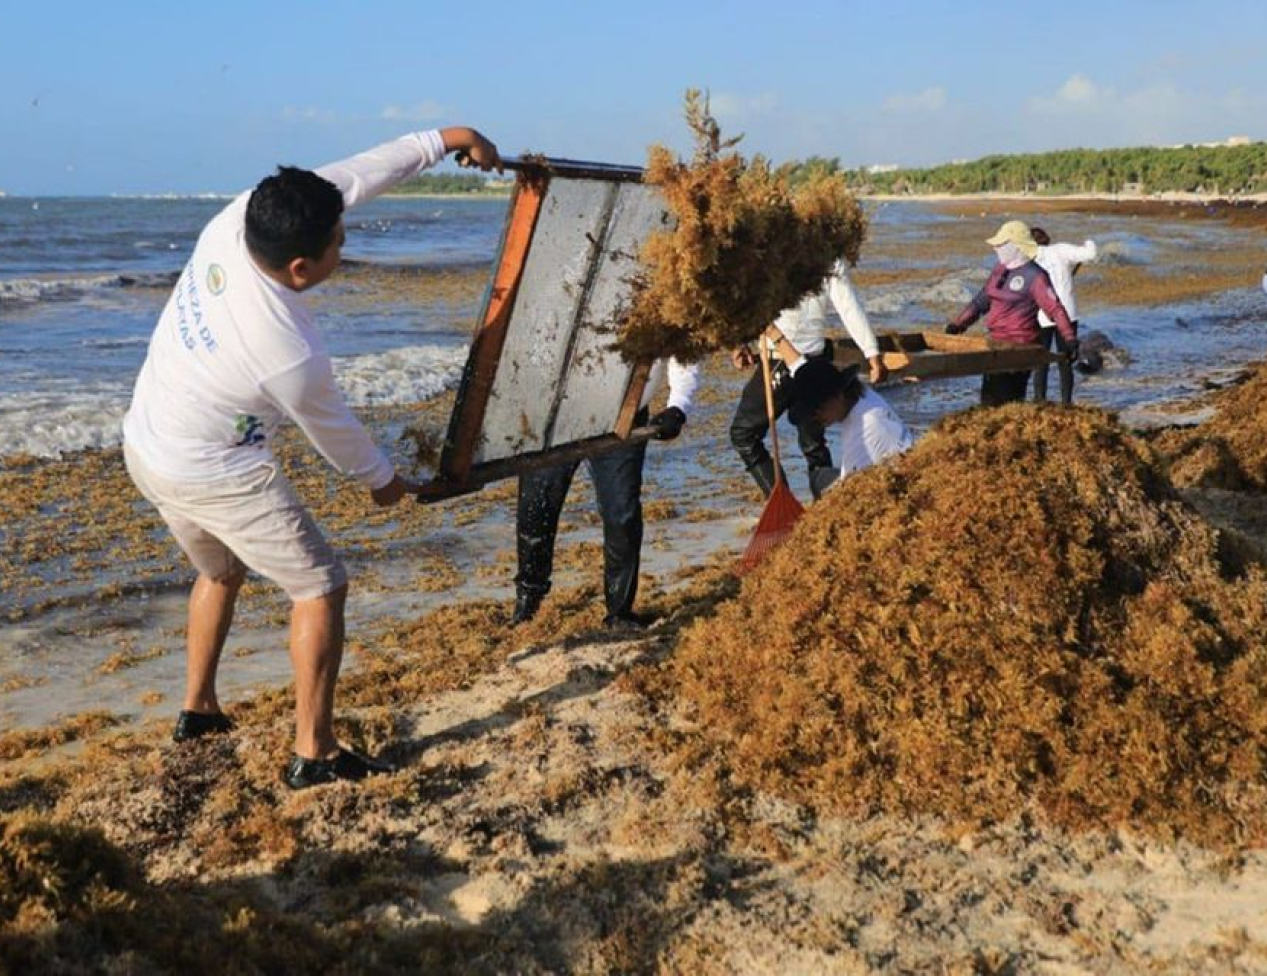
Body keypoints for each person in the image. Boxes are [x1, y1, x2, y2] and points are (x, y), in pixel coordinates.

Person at [122, 126, 502, 790]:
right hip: (212, 468)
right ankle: (315, 751)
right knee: (321, 586)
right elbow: (340, 440)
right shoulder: (287, 347)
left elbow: (356, 175)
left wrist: (447, 139)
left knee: (221, 573)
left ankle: (199, 711)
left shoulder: (240, 215)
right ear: (302, 269)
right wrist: (385, 484)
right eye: (338, 244)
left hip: (148, 442)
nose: (343, 246)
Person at [512, 359, 699, 631]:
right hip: (555, 414)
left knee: (622, 515)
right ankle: (527, 605)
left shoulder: (658, 317)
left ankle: (619, 612)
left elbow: (684, 355)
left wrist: (678, 407)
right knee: (536, 509)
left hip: (623, 419)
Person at [730, 257, 886, 500]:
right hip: (816, 359)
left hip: (781, 360)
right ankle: (824, 505)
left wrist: (741, 341)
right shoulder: (826, 253)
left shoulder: (775, 248)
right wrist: (872, 352)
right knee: (814, 444)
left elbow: (753, 297)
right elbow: (848, 305)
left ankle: (783, 504)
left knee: (743, 435)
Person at [759, 324, 912, 492]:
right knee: (819, 477)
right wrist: (775, 335)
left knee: (822, 485)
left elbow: (848, 495)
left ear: (837, 394)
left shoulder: (863, 432)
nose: (816, 416)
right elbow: (801, 368)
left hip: (893, 486)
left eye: (819, 407)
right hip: (886, 468)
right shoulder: (861, 395)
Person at [946, 221, 1078, 407]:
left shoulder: (1035, 276)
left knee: (1007, 401)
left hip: (1020, 347)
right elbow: (981, 301)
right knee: (989, 399)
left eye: (1001, 245)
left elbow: (1054, 308)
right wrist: (959, 324)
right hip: (995, 345)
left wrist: (1069, 338)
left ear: (1016, 247)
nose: (995, 248)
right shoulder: (1000, 270)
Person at [1029, 226, 1096, 404]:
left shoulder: (1028, 257)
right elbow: (1090, 254)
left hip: (1040, 315)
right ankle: (1066, 402)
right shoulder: (1061, 250)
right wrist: (1088, 242)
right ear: (1047, 239)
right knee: (1065, 362)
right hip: (1066, 313)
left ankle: (1039, 400)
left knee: (1039, 362)